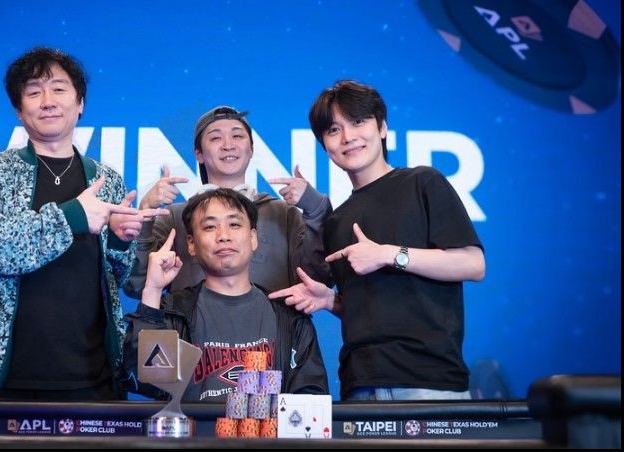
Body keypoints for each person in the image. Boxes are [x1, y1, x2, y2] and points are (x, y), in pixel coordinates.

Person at [0, 47, 166, 400]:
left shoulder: (105, 179)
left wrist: (119, 242)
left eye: (59, 89)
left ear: (80, 103)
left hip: (95, 376)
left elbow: (116, 279)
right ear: (19, 110)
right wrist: (74, 216)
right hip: (8, 378)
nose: (48, 101)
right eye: (34, 92)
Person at [270, 80, 485, 401]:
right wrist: (330, 301)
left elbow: (473, 263)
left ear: (382, 127)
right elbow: (371, 308)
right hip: (360, 384)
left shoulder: (423, 182)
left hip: (429, 380)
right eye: (334, 130)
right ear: (325, 145)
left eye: (358, 122)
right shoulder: (337, 221)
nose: (348, 137)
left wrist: (388, 254)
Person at [122, 188, 329, 402]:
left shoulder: (289, 319)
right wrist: (153, 290)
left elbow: (311, 401)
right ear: (191, 244)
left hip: (268, 425)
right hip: (192, 425)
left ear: (253, 238)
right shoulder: (172, 312)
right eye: (210, 227)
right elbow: (147, 380)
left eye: (234, 225)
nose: (223, 236)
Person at [123, 105, 332, 299]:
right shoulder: (175, 218)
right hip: (192, 328)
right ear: (199, 154)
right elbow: (136, 285)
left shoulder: (284, 215)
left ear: (251, 149)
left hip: (276, 327)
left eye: (237, 136)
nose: (228, 145)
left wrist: (315, 207)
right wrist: (146, 215)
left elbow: (319, 280)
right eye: (215, 138)